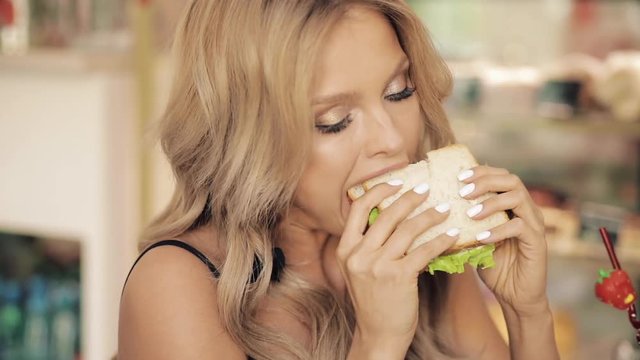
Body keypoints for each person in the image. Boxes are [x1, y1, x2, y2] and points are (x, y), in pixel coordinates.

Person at [118, 1, 560, 359]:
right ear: (247, 140)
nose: (391, 140)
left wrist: (527, 314)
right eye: (333, 121)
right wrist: (378, 344)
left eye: (399, 91)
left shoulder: (425, 248)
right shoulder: (176, 287)